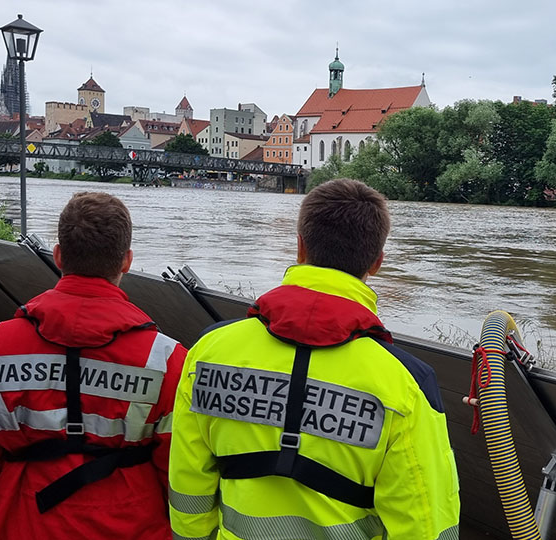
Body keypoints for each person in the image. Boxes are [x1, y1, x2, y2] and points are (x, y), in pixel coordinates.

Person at [169, 178, 461, 539]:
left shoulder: (208, 353)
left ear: (300, 247)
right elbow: (425, 524)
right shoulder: (405, 384)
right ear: (378, 262)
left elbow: (188, 487)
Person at [0, 192, 187, 540]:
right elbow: (178, 471)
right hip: (134, 526)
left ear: (57, 255)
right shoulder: (166, 360)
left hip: (23, 522)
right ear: (127, 261)